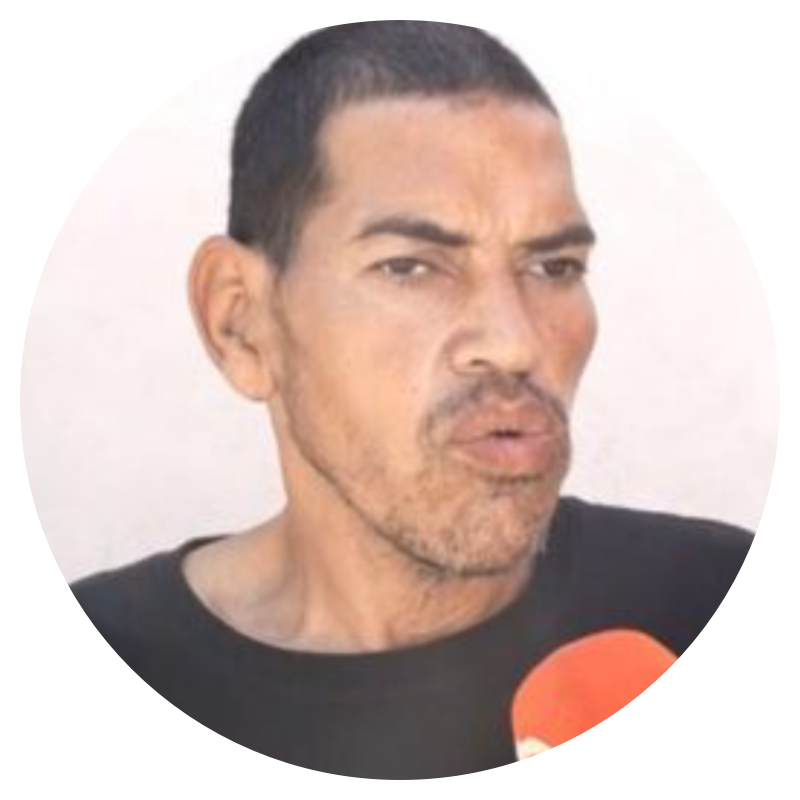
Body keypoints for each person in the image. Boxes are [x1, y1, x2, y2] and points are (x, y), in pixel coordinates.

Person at [71, 21, 753, 779]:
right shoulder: (74, 679)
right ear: (242, 321)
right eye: (409, 267)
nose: (515, 343)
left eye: (554, 266)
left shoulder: (727, 609)